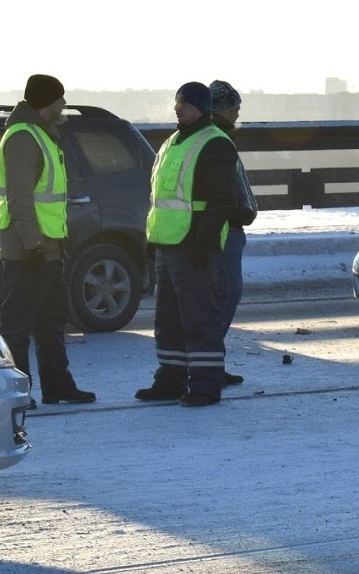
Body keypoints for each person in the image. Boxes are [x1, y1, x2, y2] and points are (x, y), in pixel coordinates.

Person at [134, 82, 238, 407]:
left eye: (184, 103)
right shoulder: (171, 143)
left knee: (199, 318)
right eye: (176, 102)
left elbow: (223, 201)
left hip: (194, 245)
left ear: (200, 108)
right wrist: (154, 240)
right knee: (168, 319)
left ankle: (205, 386)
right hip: (167, 244)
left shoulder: (215, 144)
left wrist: (203, 242)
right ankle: (170, 378)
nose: (177, 108)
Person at [0, 74, 96, 409]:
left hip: (48, 247)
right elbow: (19, 198)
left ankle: (58, 387)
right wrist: (33, 245)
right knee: (18, 325)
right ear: (46, 102)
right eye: (60, 99)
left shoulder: (41, 134)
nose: (64, 104)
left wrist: (47, 245)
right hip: (29, 250)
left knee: (52, 319)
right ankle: (19, 394)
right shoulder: (23, 137)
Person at [209, 79, 258, 386]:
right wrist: (239, 211)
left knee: (222, 296)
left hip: (227, 228)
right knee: (225, 295)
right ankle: (208, 364)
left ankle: (211, 362)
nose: (238, 114)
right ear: (223, 110)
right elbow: (222, 189)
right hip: (224, 231)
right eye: (235, 108)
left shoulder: (218, 137)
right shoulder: (216, 140)